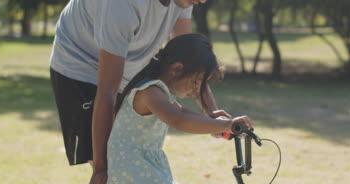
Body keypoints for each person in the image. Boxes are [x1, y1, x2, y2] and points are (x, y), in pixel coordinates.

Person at [49, 0, 241, 184]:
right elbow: (106, 89)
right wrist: (101, 170)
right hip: (79, 65)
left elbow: (189, 58)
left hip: (126, 60)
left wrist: (211, 111)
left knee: (128, 155)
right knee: (110, 166)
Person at [107, 33, 251, 184]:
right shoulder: (150, 92)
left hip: (142, 167)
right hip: (133, 171)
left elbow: (182, 112)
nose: (197, 89)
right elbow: (179, 120)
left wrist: (211, 122)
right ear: (177, 69)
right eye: (196, 81)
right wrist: (227, 125)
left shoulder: (160, 92)